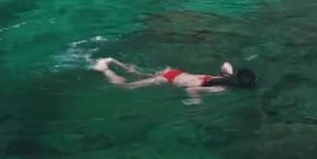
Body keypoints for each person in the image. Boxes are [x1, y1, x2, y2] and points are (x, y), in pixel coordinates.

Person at [91, 57, 257, 105]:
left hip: (174, 71)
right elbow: (191, 89)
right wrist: (196, 101)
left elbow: (225, 64)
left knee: (138, 73)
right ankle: (104, 69)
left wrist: (228, 72)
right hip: (167, 80)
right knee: (125, 87)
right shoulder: (221, 89)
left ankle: (113, 61)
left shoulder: (226, 77)